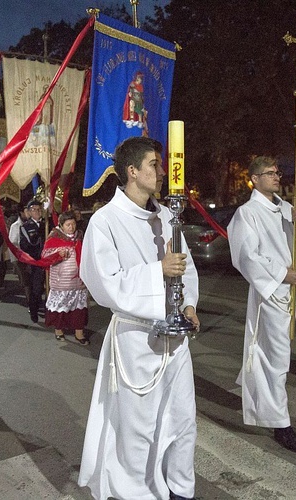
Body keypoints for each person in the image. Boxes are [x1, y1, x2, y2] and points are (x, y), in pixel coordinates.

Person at [77, 136, 200, 500]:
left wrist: (189, 304)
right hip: (136, 338)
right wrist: (156, 271)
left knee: (182, 419)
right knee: (138, 427)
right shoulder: (105, 221)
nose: (162, 172)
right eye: (154, 164)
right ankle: (137, 492)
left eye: (162, 164)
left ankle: (180, 487)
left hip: (175, 340)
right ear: (131, 171)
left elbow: (187, 268)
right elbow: (103, 283)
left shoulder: (166, 216)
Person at [227, 156, 296, 454]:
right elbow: (245, 256)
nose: (277, 176)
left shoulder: (286, 208)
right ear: (254, 179)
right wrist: (281, 273)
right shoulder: (247, 213)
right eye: (269, 173)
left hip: (290, 290)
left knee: (274, 356)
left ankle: (259, 391)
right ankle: (281, 424)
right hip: (271, 293)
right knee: (276, 359)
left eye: (277, 172)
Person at [42, 210, 88, 344]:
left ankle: (79, 333)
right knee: (61, 307)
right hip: (61, 280)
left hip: (78, 279)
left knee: (79, 308)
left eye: (73, 224)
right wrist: (58, 254)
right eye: (68, 224)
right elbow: (45, 257)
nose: (71, 227)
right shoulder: (54, 238)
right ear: (61, 225)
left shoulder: (79, 236)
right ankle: (59, 330)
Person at [20, 199, 47, 323]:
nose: (37, 211)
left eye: (39, 209)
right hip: (35, 263)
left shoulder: (47, 224)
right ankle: (34, 311)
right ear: (29, 212)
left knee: (48, 288)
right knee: (35, 289)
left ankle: (49, 311)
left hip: (48, 261)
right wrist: (39, 233)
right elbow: (25, 246)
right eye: (34, 209)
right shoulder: (26, 227)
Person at [9, 206, 31, 302]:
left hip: (30, 256)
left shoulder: (30, 224)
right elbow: (13, 242)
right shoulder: (16, 226)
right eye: (27, 211)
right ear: (21, 213)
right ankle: (29, 301)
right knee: (26, 280)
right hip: (20, 257)